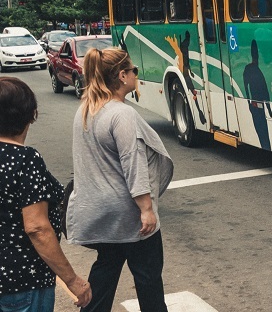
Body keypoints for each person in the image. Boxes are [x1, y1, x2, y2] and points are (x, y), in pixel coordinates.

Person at [66, 48, 174, 312]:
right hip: (130, 215)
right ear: (123, 76)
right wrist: (146, 210)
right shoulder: (121, 114)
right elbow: (133, 164)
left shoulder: (85, 110)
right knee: (149, 282)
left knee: (105, 272)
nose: (136, 75)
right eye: (134, 70)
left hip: (100, 213)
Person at [0, 77, 92, 312]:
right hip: (22, 282)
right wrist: (72, 280)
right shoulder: (25, 160)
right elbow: (37, 228)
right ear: (31, 114)